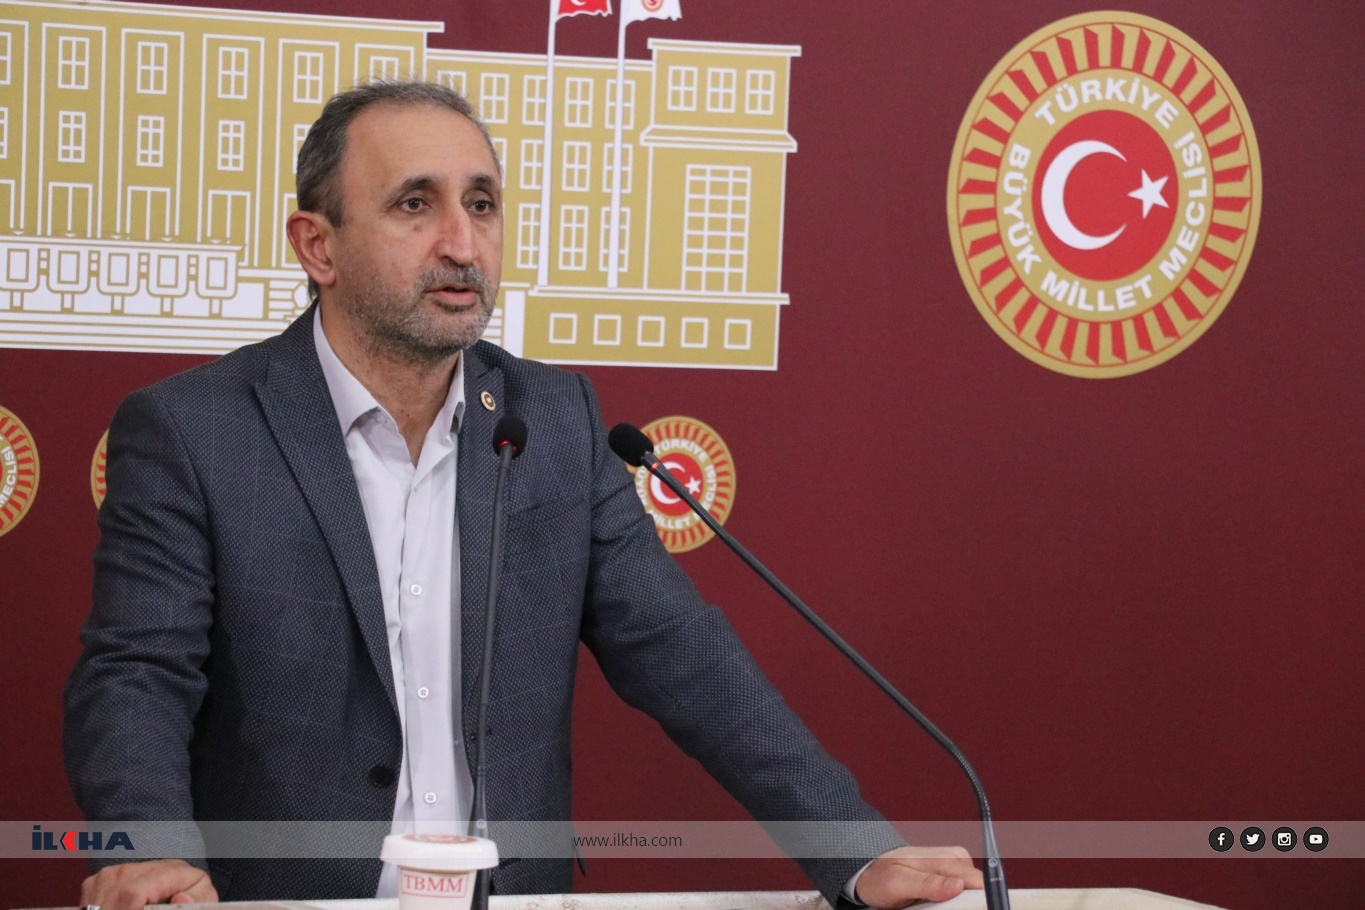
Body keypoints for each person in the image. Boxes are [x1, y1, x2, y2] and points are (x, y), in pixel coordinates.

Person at [64, 81, 981, 910]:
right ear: (318, 245)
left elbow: (680, 655)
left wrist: (855, 852)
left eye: (481, 204)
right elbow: (138, 671)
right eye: (414, 204)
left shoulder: (553, 420)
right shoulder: (195, 430)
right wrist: (150, 850)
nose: (461, 244)